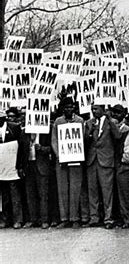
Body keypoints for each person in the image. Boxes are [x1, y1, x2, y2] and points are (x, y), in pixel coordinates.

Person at [84, 104, 121, 229]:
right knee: (92, 191)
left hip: (105, 161)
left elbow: (118, 136)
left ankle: (108, 218)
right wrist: (90, 131)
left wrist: (110, 120)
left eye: (96, 109)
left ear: (103, 110)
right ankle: (94, 217)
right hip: (92, 160)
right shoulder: (89, 123)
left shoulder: (111, 122)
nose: (94, 111)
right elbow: (84, 141)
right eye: (92, 109)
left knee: (107, 192)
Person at [51, 97, 86, 229]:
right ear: (62, 109)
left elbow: (82, 139)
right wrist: (59, 155)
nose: (68, 109)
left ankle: (75, 218)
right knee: (63, 189)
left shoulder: (80, 121)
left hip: (76, 159)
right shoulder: (58, 122)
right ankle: (64, 218)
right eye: (66, 107)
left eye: (71, 107)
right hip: (62, 159)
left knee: (75, 188)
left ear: (74, 108)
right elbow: (54, 140)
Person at [20, 125, 52, 229]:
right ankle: (33, 219)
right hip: (29, 166)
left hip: (42, 166)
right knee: (30, 194)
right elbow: (20, 149)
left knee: (43, 194)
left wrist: (42, 148)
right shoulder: (24, 132)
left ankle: (44, 220)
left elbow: (53, 147)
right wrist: (20, 166)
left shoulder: (47, 129)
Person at [0, 110, 24, 229]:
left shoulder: (14, 128)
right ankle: (6, 219)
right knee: (4, 196)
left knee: (14, 194)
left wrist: (19, 165)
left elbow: (21, 147)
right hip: (1, 167)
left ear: (4, 119)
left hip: (12, 166)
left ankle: (17, 220)